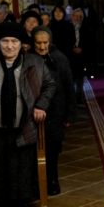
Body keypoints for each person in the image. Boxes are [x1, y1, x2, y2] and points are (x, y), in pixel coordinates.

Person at [0, 22, 55, 207]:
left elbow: (49, 85)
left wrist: (41, 105)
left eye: (14, 41)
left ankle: (13, 203)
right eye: (5, 41)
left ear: (22, 44)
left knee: (18, 165)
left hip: (23, 123)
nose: (9, 45)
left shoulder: (35, 62)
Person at [31, 26, 76, 195]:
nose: (42, 46)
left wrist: (69, 113)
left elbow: (69, 86)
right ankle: (35, 182)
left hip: (56, 109)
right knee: (33, 148)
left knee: (53, 148)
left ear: (50, 42)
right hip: (34, 110)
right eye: (38, 43)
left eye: (45, 42)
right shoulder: (28, 57)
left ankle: (52, 180)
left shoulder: (60, 58)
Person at [68, 7, 93, 101]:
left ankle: (79, 93)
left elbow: (88, 41)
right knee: (71, 75)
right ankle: (71, 93)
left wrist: (81, 49)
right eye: (75, 15)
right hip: (70, 54)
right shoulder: (67, 26)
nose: (77, 18)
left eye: (79, 16)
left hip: (81, 54)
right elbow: (64, 41)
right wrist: (72, 49)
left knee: (80, 74)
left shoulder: (85, 27)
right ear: (72, 16)